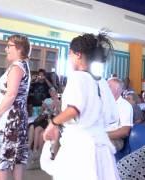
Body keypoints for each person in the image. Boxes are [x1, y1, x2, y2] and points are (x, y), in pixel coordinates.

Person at [41, 33, 120, 180]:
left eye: (69, 54)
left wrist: (53, 123)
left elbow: (74, 109)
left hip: (81, 147)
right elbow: (112, 115)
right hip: (101, 146)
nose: (69, 58)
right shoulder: (101, 81)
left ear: (77, 54)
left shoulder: (77, 77)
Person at [0, 34, 31, 180]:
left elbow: (11, 95)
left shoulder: (17, 67)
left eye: (9, 46)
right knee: (16, 158)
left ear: (19, 48)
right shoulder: (22, 65)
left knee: (1, 160)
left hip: (10, 120)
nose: (6, 49)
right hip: (18, 118)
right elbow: (9, 94)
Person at [107, 78, 133, 151]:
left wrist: (102, 136)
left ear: (117, 89)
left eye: (108, 86)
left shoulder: (125, 106)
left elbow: (124, 131)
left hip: (115, 140)